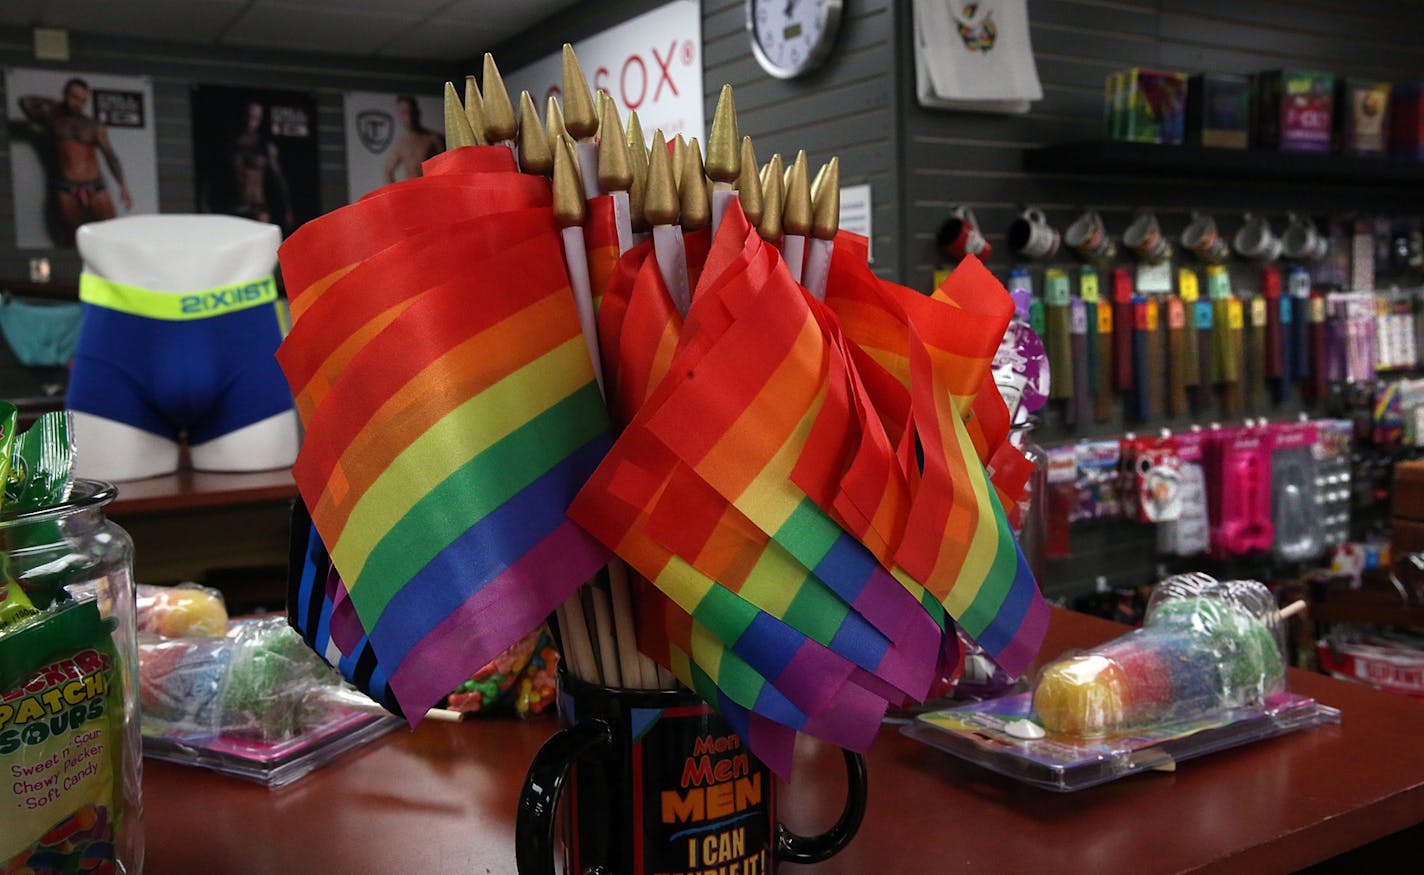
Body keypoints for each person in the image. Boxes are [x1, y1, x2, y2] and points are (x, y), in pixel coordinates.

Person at [17, 78, 133, 245]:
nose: (78, 103)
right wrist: (51, 102)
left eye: (82, 100)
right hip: (67, 187)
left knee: (112, 232)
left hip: (95, 186)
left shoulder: (93, 125)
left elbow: (110, 155)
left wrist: (122, 185)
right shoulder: (53, 119)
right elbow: (24, 103)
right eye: (74, 97)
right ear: (65, 95)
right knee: (73, 236)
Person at [220, 100, 294, 230]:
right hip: (234, 206)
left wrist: (287, 208)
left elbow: (278, 179)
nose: (251, 123)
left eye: (256, 118)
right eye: (248, 117)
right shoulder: (229, 146)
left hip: (259, 205)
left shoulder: (265, 148)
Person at [384, 95, 444, 184]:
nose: (409, 117)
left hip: (429, 190)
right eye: (404, 112)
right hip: (410, 192)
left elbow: (447, 167)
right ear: (400, 115)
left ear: (417, 112)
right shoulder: (401, 144)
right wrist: (396, 195)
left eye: (411, 112)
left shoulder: (434, 139)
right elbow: (388, 171)